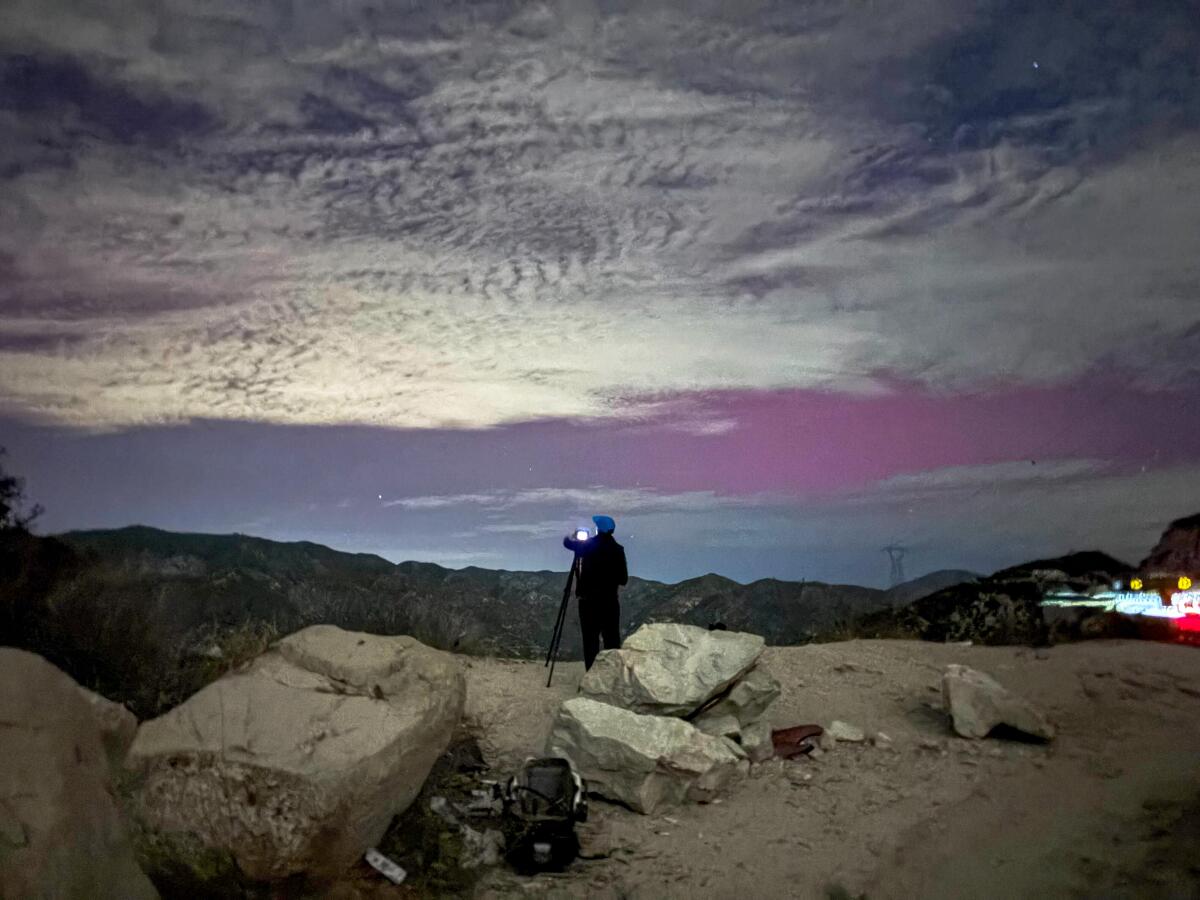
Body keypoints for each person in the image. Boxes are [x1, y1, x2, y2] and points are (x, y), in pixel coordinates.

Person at [562, 515, 628, 670]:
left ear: (598, 529)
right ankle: (613, 674)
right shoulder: (618, 549)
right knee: (612, 640)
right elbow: (623, 579)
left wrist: (572, 535)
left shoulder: (587, 546)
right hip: (610, 602)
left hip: (588, 602)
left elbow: (567, 543)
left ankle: (591, 674)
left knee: (590, 641)